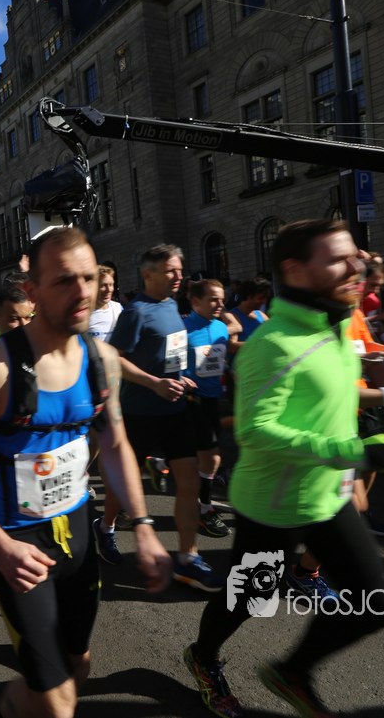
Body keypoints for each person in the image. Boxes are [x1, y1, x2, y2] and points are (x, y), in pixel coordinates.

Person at [184, 219, 384, 718]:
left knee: (375, 606)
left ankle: (292, 671)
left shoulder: (335, 324)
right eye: (339, 259)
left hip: (326, 496)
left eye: (355, 256)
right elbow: (255, 431)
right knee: (251, 598)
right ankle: (203, 657)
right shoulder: (273, 343)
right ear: (294, 269)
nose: (355, 267)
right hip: (274, 505)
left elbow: (334, 396)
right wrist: (355, 452)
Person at [0, 227, 170, 718]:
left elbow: (115, 443)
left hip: (78, 533)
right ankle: (7, 704)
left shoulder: (102, 361)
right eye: (64, 280)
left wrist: (145, 526)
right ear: (34, 291)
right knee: (58, 702)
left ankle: (8, 704)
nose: (82, 291)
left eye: (88, 278)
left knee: (78, 667)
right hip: (18, 544)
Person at [107, 244, 222, 590]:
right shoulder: (135, 311)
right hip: (139, 414)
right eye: (171, 270)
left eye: (179, 270)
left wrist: (179, 376)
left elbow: (171, 352)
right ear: (149, 274)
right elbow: (113, 358)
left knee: (189, 483)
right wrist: (154, 383)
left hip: (175, 409)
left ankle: (188, 558)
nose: (178, 276)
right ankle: (106, 526)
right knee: (122, 487)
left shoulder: (172, 305)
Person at [182, 279, 235, 539]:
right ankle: (205, 510)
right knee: (212, 459)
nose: (220, 304)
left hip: (214, 398)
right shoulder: (182, 329)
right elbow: (169, 365)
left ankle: (159, 464)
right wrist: (180, 378)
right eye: (214, 299)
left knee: (199, 459)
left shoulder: (221, 328)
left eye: (222, 299)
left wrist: (231, 370)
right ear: (196, 301)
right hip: (192, 399)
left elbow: (220, 359)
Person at [88, 264, 123, 342]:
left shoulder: (118, 308)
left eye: (111, 284)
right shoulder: (84, 313)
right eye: (103, 285)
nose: (109, 289)